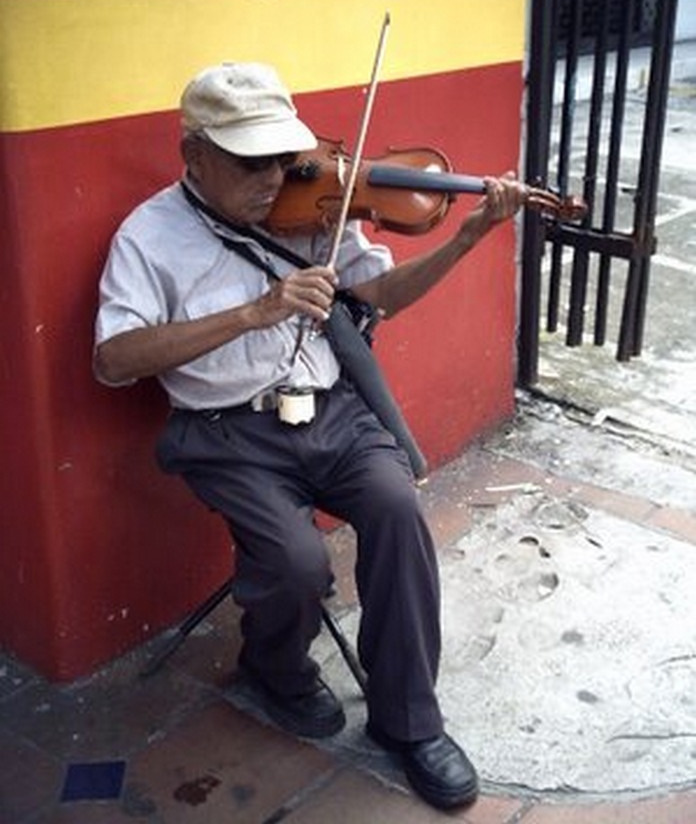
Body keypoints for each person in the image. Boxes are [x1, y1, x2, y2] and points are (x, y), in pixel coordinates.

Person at [94, 62, 527, 811]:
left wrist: (469, 238)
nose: (275, 179)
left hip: (329, 410)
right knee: (295, 562)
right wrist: (252, 313)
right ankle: (276, 668)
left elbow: (379, 298)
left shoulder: (318, 205)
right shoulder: (149, 236)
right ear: (193, 155)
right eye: (249, 162)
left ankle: (409, 721)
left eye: (283, 158)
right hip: (227, 430)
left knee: (396, 513)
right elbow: (112, 360)